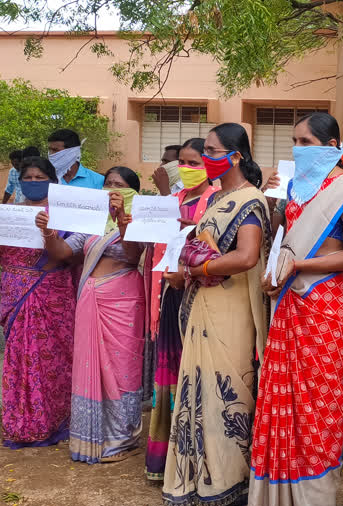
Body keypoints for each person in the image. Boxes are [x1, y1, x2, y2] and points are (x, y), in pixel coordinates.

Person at [249, 112, 343, 506]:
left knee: (317, 404)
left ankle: (313, 500)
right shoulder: (296, 188)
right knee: (281, 397)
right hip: (290, 301)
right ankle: (276, 496)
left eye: (306, 142)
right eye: (295, 141)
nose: (298, 149)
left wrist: (301, 267)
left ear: (331, 147)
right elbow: (284, 241)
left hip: (326, 306)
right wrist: (276, 269)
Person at [161, 123, 272, 506]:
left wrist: (196, 271)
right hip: (204, 304)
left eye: (211, 150)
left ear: (235, 155)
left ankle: (227, 481)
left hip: (231, 310)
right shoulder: (215, 200)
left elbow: (246, 257)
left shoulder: (251, 200)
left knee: (226, 389)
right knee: (201, 388)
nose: (205, 158)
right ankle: (198, 477)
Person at [36, 165, 145, 463]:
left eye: (119, 184)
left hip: (124, 299)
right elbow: (63, 254)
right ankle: (91, 436)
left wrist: (123, 222)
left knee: (122, 370)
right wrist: (48, 232)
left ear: (132, 191)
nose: (112, 188)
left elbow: (135, 256)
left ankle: (124, 439)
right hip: (90, 297)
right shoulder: (92, 220)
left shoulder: (141, 219)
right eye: (108, 183)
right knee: (91, 366)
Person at [144, 137, 219, 481]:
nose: (188, 170)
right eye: (184, 164)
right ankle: (166, 457)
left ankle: (193, 457)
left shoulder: (216, 200)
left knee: (195, 372)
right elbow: (158, 237)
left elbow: (200, 241)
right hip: (169, 291)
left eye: (195, 163)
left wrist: (160, 200)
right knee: (170, 373)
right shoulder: (175, 198)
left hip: (197, 292)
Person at [1, 156, 75, 448]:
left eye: (39, 177)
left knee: (51, 358)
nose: (33, 182)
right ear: (19, 180)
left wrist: (47, 231)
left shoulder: (63, 215)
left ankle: (52, 419)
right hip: (13, 292)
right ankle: (21, 421)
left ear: (52, 181)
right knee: (19, 356)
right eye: (27, 178)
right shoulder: (9, 213)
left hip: (50, 292)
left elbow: (64, 256)